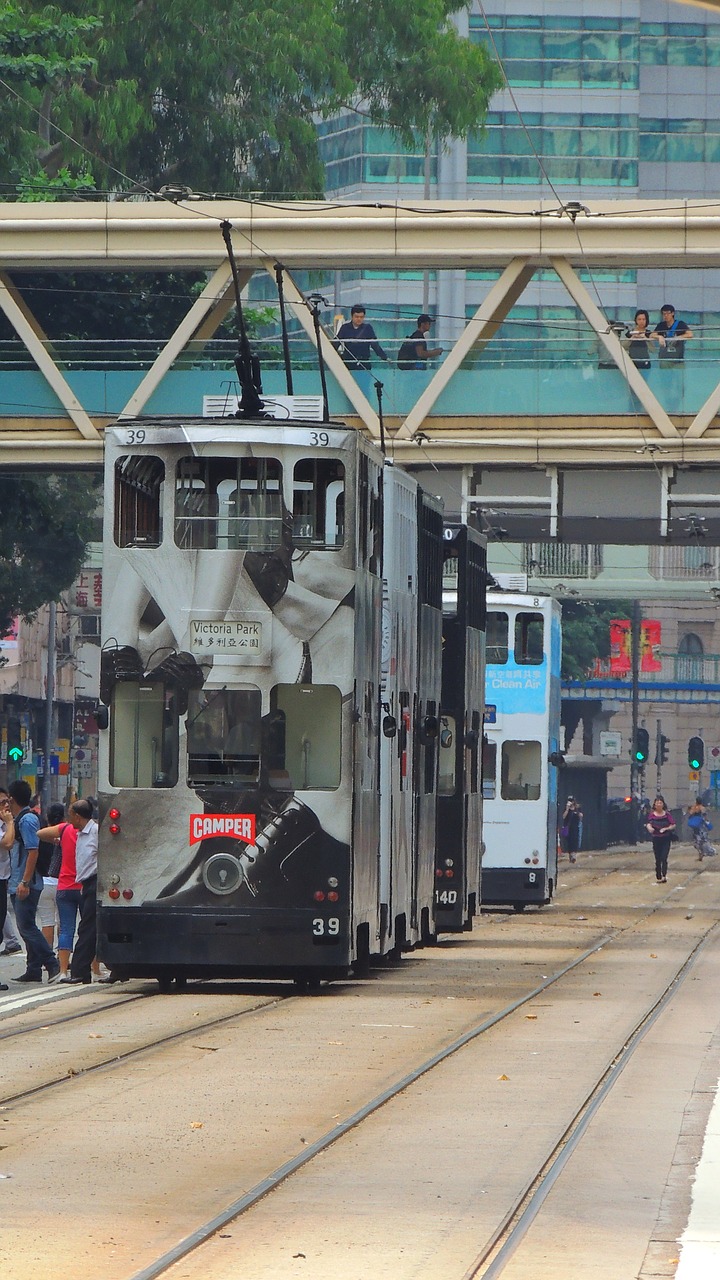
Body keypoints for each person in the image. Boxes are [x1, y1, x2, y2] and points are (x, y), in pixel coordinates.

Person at [7, 780, 60, 983]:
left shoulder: (26, 820)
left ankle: (51, 962)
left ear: (12, 798)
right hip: (19, 880)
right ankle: (33, 969)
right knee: (26, 925)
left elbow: (33, 851)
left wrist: (25, 882)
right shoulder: (19, 818)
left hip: (26, 881)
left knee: (26, 926)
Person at [37, 807, 81, 981]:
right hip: (80, 885)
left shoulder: (61, 833)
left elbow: (40, 834)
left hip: (55, 883)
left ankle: (56, 965)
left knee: (58, 926)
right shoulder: (87, 833)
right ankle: (93, 968)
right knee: (85, 927)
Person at [67, 799, 99, 985]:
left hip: (95, 883)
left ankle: (79, 971)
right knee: (89, 927)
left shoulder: (95, 831)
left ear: (78, 817)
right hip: (85, 885)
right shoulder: (80, 833)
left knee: (87, 927)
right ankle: (82, 971)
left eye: (70, 814)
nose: (69, 818)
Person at [37, 801, 64, 949]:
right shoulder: (67, 834)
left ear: (47, 818)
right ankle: (63, 958)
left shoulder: (42, 835)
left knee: (47, 923)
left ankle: (48, 959)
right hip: (63, 883)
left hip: (44, 883)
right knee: (63, 923)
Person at [334, 305, 389, 372]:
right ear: (352, 316)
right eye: (356, 317)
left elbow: (375, 345)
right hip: (349, 363)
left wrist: (385, 357)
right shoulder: (345, 328)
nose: (359, 319)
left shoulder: (368, 328)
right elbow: (336, 343)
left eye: (361, 317)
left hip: (364, 362)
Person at [0, 789, 16, 991]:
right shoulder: (5, 826)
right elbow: (8, 843)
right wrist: (11, 823)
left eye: (7, 801)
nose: (6, 805)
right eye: (2, 802)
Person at [645, 795, 676, 883]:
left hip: (666, 838)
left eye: (660, 802)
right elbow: (648, 823)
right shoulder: (651, 815)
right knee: (657, 858)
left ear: (663, 804)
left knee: (664, 857)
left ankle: (664, 875)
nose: (658, 804)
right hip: (656, 838)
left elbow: (673, 824)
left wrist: (666, 829)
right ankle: (658, 873)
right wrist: (650, 828)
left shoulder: (667, 815)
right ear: (654, 804)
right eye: (657, 802)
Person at [686, 796, 714, 861]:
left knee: (697, 842)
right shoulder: (702, 808)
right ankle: (705, 852)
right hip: (701, 827)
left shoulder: (694, 808)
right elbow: (705, 817)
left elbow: (690, 813)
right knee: (703, 840)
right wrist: (707, 823)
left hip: (697, 828)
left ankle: (702, 853)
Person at [560, 796, 583, 863]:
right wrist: (567, 809)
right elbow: (564, 817)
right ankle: (571, 854)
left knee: (575, 841)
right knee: (569, 842)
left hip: (575, 827)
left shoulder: (577, 808)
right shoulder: (566, 808)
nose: (570, 802)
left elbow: (581, 817)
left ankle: (574, 855)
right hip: (568, 827)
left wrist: (577, 811)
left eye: (571, 801)